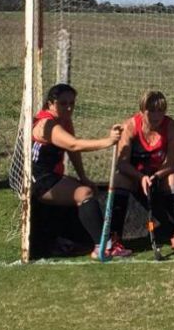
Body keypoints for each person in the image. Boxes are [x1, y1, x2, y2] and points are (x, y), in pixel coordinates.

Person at [30, 83, 123, 260]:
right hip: (39, 181)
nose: (69, 107)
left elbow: (72, 151)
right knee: (84, 193)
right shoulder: (47, 125)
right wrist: (108, 141)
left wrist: (83, 177)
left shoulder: (64, 121)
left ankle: (76, 241)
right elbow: (73, 143)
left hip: (52, 176)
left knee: (85, 188)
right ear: (50, 104)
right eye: (63, 103)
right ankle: (102, 247)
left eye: (72, 103)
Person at [108, 91, 174, 256]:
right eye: (151, 110)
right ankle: (114, 237)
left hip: (160, 174)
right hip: (135, 176)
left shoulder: (173, 127)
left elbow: (171, 163)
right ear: (142, 111)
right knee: (119, 178)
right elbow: (122, 163)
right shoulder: (130, 127)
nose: (157, 115)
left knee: (172, 178)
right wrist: (141, 177)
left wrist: (156, 176)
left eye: (161, 110)